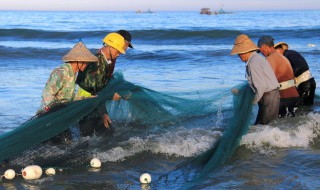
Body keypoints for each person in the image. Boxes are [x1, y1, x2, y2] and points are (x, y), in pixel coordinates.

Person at [38, 40, 98, 142]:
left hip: (61, 115)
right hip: (49, 116)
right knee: (63, 141)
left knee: (67, 141)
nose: (87, 64)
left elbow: (69, 97)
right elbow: (47, 93)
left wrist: (86, 98)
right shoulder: (62, 72)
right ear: (78, 61)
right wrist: (51, 111)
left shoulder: (73, 74)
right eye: (86, 61)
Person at [76, 30, 133, 137]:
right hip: (85, 105)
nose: (119, 54)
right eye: (118, 51)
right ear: (110, 47)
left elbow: (100, 88)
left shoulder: (105, 61)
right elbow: (94, 92)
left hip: (94, 104)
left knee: (105, 135)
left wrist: (104, 113)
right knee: (85, 140)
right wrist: (111, 97)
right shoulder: (97, 64)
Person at [231, 34, 280, 125]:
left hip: (269, 97)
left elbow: (261, 86)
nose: (239, 57)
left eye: (239, 54)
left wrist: (252, 101)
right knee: (263, 126)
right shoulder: (256, 59)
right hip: (270, 95)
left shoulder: (253, 62)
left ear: (243, 52)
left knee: (264, 127)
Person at [258, 35, 300, 118]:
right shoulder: (282, 57)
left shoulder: (270, 59)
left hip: (284, 98)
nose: (261, 53)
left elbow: (266, 81)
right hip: (294, 96)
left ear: (265, 47)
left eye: (260, 50)